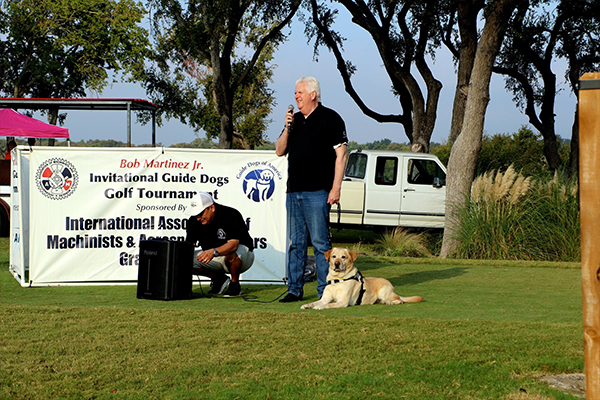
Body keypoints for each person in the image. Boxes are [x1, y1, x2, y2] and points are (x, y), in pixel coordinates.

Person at [276, 76, 348, 302]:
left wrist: (335, 188)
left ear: (313, 94)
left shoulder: (331, 118)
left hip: (318, 192)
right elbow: (279, 150)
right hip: (294, 192)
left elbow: (341, 154)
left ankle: (324, 292)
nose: (296, 96)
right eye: (295, 93)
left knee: (319, 245)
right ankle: (294, 290)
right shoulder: (294, 121)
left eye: (299, 92)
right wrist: (287, 127)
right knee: (296, 244)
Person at [185, 192, 255, 297]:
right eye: (196, 214)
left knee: (231, 253)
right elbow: (189, 245)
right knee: (184, 260)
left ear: (212, 208)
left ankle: (235, 284)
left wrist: (213, 251)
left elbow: (233, 245)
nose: (198, 218)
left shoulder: (230, 214)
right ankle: (218, 279)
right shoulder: (194, 221)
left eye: (201, 213)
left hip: (242, 257)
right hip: (214, 257)